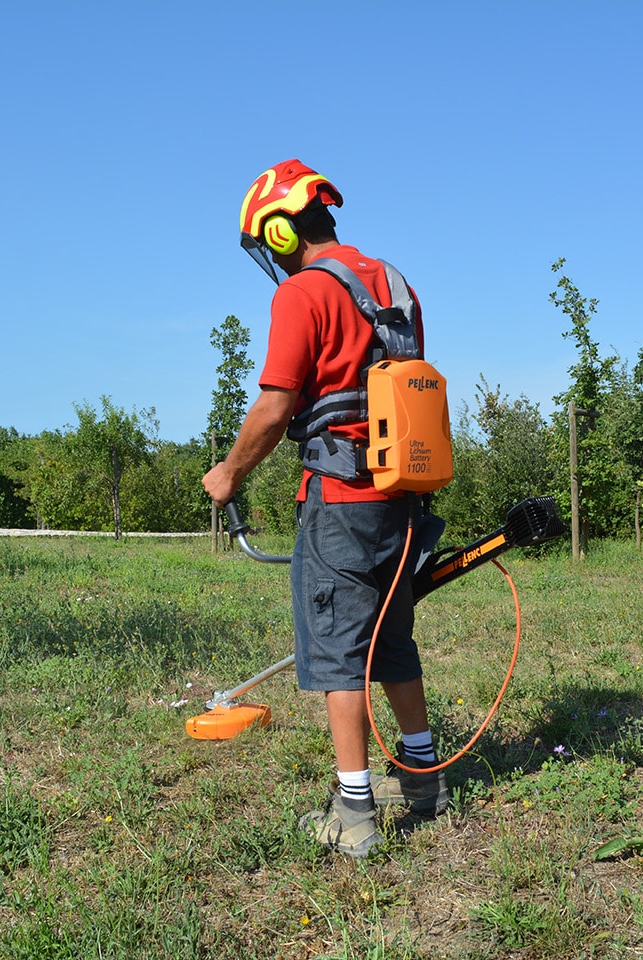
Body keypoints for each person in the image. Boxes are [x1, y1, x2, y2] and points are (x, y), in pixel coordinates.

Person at [202, 159, 448, 858]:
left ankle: (355, 812)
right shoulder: (396, 285)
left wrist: (228, 472)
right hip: (403, 497)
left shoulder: (303, 294)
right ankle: (423, 778)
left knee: (340, 653)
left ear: (278, 233)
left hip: (339, 500)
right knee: (393, 638)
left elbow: (277, 405)